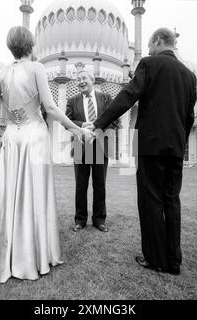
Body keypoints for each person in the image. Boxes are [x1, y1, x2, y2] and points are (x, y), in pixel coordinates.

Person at [0, 26, 94, 283]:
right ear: (31, 45)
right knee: (36, 195)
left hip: (11, 138)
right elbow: (51, 108)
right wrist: (77, 129)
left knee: (13, 196)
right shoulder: (37, 69)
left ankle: (14, 259)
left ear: (12, 47)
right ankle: (37, 256)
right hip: (34, 137)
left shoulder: (2, 72)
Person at [91, 28, 197, 275]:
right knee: (171, 200)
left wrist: (99, 122)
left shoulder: (149, 64)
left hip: (149, 145)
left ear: (158, 41)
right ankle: (173, 261)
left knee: (150, 200)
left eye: (150, 44)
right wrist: (180, 140)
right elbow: (189, 116)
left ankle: (155, 258)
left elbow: (129, 95)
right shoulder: (189, 76)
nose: (148, 50)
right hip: (175, 147)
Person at [66, 70, 119, 233]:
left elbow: (114, 120)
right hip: (81, 145)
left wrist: (96, 127)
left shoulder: (106, 98)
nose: (80, 81)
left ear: (92, 80)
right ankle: (80, 220)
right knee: (81, 186)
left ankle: (99, 220)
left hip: (100, 146)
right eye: (78, 79)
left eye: (84, 78)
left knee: (100, 185)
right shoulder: (72, 100)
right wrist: (83, 126)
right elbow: (67, 122)